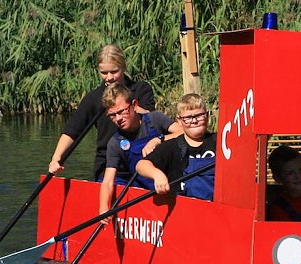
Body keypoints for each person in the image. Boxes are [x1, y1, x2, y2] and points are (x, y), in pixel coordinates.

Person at [48, 44, 155, 181]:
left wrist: (127, 105)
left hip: (142, 160)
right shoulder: (93, 98)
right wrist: (56, 159)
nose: (109, 77)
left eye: (114, 71)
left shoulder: (141, 89)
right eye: (104, 73)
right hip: (109, 165)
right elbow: (71, 131)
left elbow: (151, 118)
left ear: (123, 67)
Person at [98, 84, 183, 213]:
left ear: (134, 105)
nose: (118, 119)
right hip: (145, 195)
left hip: (173, 185)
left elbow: (184, 133)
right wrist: (104, 208)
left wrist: (159, 139)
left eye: (122, 111)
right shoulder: (115, 143)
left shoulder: (155, 119)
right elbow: (108, 181)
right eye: (112, 115)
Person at [136, 94, 217, 201]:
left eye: (199, 115)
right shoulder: (172, 146)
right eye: (188, 118)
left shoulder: (219, 141)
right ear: (179, 120)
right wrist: (157, 175)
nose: (194, 121)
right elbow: (141, 165)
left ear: (207, 115)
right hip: (183, 209)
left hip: (217, 209)